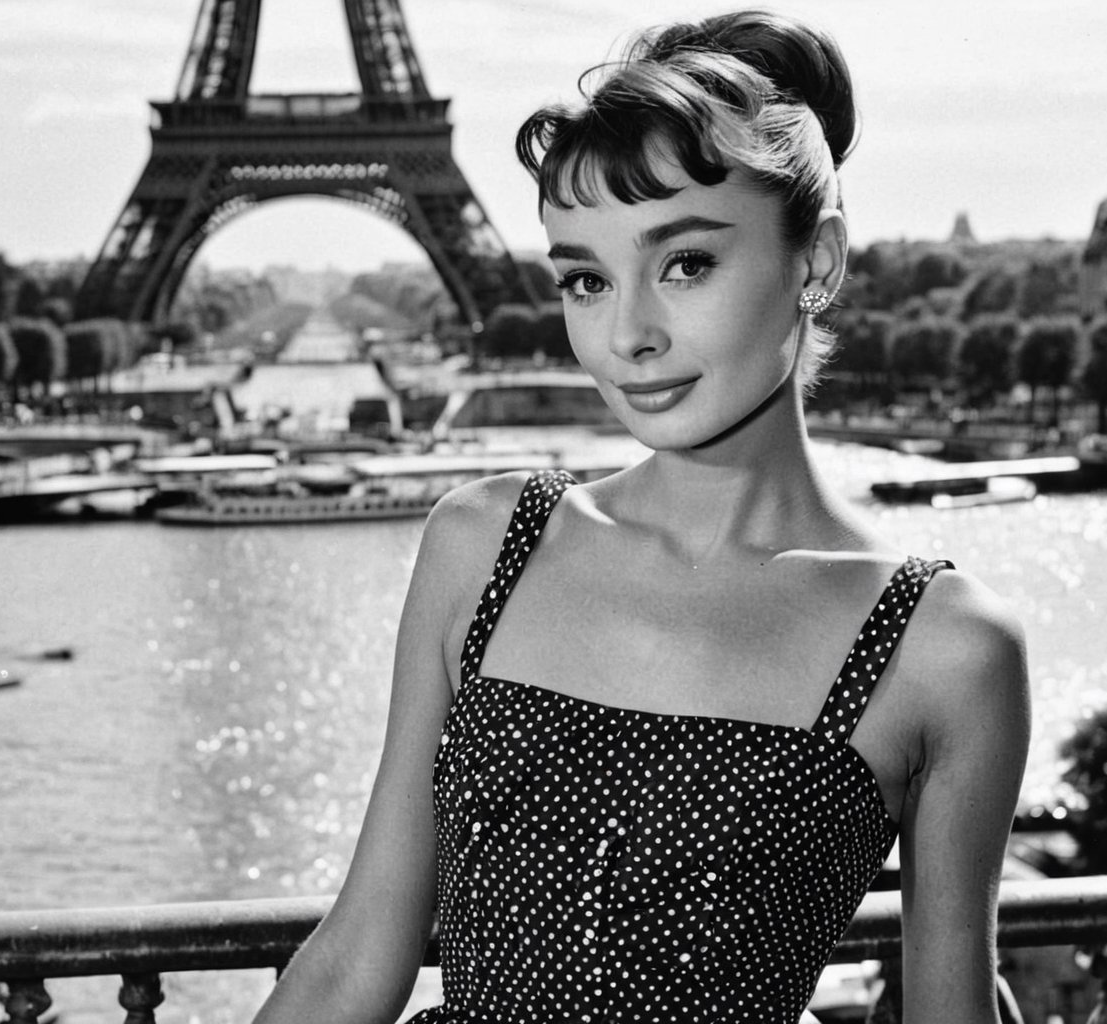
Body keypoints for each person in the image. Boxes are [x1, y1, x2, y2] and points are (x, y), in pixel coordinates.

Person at [251, 9, 1030, 1023]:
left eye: (687, 264)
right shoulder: (478, 546)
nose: (627, 336)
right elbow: (359, 955)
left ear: (817, 263)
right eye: (586, 277)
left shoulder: (949, 649)